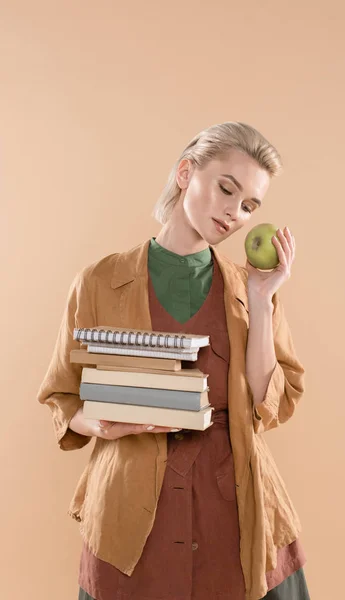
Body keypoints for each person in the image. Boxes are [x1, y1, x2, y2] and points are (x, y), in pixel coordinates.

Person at [37, 121, 310, 600]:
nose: (235, 213)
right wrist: (99, 424)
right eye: (227, 189)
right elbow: (62, 395)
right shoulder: (99, 281)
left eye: (249, 205)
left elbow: (272, 405)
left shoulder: (252, 290)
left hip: (239, 512)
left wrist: (263, 302)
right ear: (186, 173)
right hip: (129, 519)